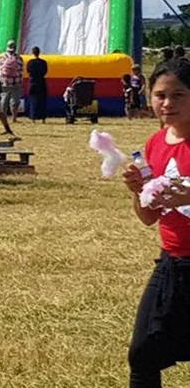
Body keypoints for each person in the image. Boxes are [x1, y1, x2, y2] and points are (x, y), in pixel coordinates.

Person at [123, 57, 190, 388]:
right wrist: (138, 193)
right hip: (172, 264)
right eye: (160, 95)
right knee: (143, 353)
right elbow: (149, 217)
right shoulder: (155, 144)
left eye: (179, 95)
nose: (168, 103)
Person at [0, 40, 25, 123]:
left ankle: (4, 117)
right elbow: (21, 69)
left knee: (4, 99)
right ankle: (14, 118)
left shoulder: (2, 57)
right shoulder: (18, 58)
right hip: (16, 81)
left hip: (5, 81)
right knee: (15, 100)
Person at [25, 46, 48, 123]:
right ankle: (43, 118)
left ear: (32, 53)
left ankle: (33, 117)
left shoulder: (30, 63)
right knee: (42, 101)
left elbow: (28, 71)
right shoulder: (43, 62)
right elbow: (45, 72)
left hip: (33, 82)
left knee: (33, 100)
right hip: (41, 82)